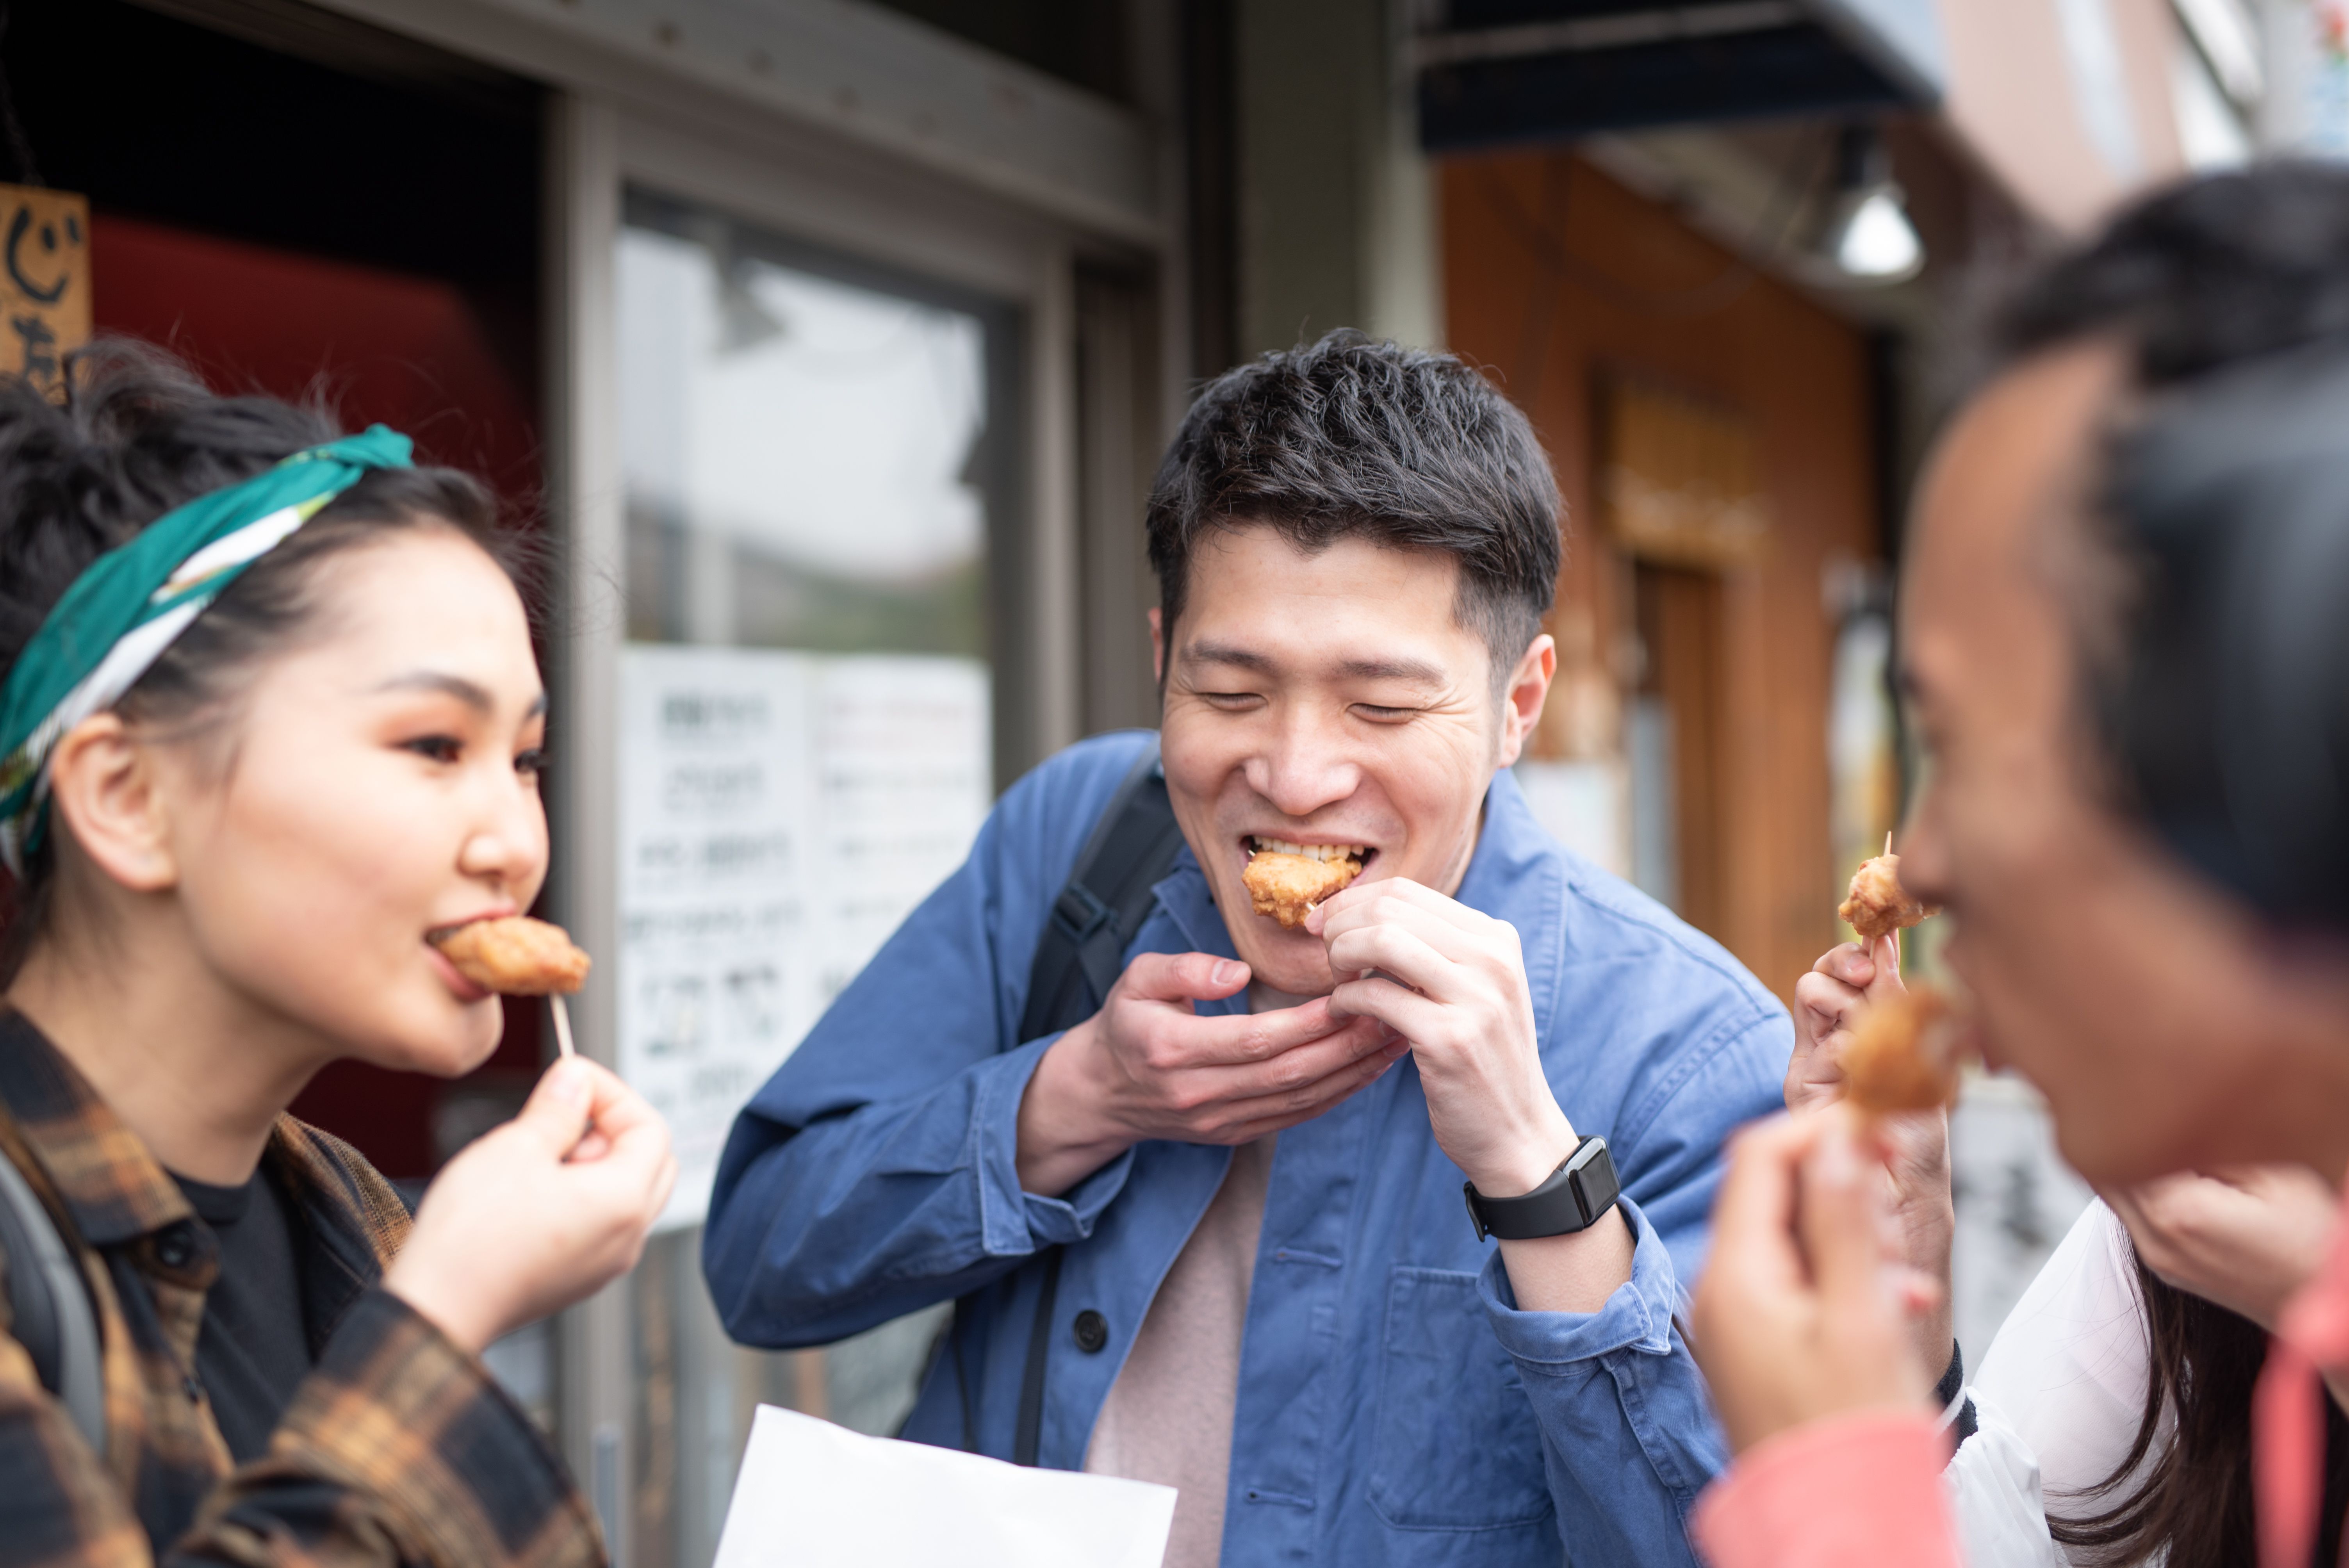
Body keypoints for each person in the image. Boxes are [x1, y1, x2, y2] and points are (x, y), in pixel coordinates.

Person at [703, 331, 1790, 1566]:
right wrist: (1069, 1102)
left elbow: (1725, 1545)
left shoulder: (1689, 1050)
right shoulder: (1081, 843)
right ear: (1163, 654)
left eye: (1381, 705)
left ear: (1516, 707)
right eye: (1230, 693)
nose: (1295, 775)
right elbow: (761, 1265)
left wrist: (1539, 1179)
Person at [1684, 162, 2349, 1568]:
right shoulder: (2180, 1246)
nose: (1924, 855)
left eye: (1979, 737)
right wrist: (1897, 1337)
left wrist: (1829, 1505)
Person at [0, 343, 676, 1566]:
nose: (514, 842)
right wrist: (446, 1319)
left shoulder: (350, 1208)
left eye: (524, 760)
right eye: (431, 744)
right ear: (126, 796)